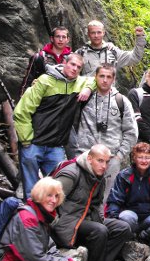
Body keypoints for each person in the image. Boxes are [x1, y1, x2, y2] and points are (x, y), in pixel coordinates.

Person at [52, 145, 133, 261]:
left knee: (123, 228)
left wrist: (100, 218)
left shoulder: (99, 176)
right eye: (100, 161)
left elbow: (98, 204)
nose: (104, 166)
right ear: (89, 159)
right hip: (67, 222)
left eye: (107, 162)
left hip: (87, 218)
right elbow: (49, 199)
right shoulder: (71, 173)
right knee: (100, 231)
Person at [14, 53, 94, 198]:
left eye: (78, 67)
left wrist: (88, 88)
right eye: (72, 64)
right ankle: (29, 210)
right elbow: (22, 111)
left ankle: (49, 212)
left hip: (56, 146)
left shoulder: (79, 83)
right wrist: (26, 140)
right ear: (64, 62)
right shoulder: (45, 81)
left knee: (56, 188)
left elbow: (96, 80)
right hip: (34, 142)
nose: (75, 69)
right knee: (31, 190)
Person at [67, 63, 138, 201]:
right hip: (85, 155)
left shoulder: (121, 101)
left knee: (106, 200)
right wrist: (74, 152)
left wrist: (119, 156)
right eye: (101, 76)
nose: (105, 80)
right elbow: (71, 124)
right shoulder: (85, 97)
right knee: (80, 198)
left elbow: (131, 132)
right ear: (95, 77)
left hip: (110, 158)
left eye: (108, 77)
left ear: (114, 79)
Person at [106, 142, 150, 247]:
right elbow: (115, 199)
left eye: (147, 158)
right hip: (130, 214)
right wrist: (112, 221)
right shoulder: (124, 176)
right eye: (140, 157)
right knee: (126, 217)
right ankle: (129, 237)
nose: (144, 161)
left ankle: (143, 238)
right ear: (134, 158)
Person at [76, 20, 146, 77]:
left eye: (99, 32)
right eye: (93, 33)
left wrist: (140, 38)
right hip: (88, 90)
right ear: (88, 34)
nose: (96, 35)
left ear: (103, 33)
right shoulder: (80, 53)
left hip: (108, 90)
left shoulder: (112, 51)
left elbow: (134, 57)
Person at [20, 26, 72, 95]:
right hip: (42, 97)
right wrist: (23, 98)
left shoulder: (73, 59)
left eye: (64, 37)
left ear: (68, 40)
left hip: (65, 98)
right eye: (58, 36)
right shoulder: (40, 57)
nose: (61, 39)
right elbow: (26, 83)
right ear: (52, 39)